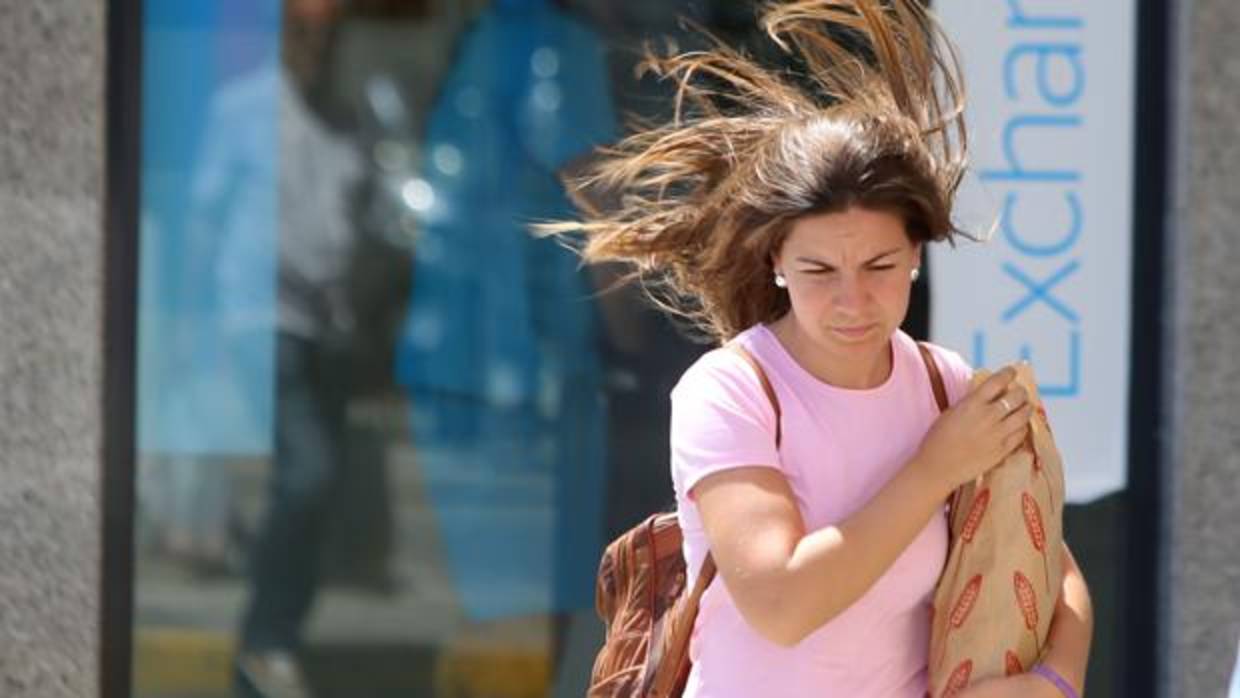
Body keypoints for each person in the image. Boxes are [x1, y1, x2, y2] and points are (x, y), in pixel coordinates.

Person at [545, 1, 1093, 696]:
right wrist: (933, 469)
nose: (853, 302)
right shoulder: (731, 390)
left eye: (880, 266)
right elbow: (782, 604)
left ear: (917, 254)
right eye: (819, 271)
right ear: (776, 260)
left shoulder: (941, 385)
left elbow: (1052, 561)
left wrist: (1055, 679)